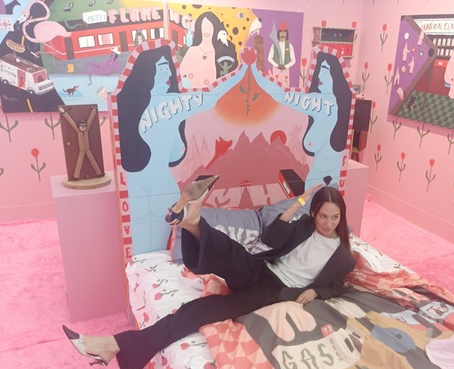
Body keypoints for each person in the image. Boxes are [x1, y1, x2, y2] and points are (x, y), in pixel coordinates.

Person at [63, 179, 356, 369]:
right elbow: (272, 237)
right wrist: (298, 202)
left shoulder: (343, 256)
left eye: (335, 217)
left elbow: (336, 287)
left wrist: (316, 292)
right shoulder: (305, 225)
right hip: (264, 270)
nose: (328, 223)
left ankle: (112, 345)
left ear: (342, 216)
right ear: (314, 213)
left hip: (276, 292)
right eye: (322, 216)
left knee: (199, 310)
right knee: (233, 252)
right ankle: (193, 225)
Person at [116, 43, 247, 255]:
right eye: (162, 67)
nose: (169, 73)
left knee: (157, 244)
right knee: (149, 246)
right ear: (148, 72)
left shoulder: (156, 104)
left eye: (168, 67)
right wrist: (240, 72)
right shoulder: (162, 104)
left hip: (151, 185)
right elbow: (209, 98)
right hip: (150, 185)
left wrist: (241, 72)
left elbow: (209, 97)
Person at [249, 50, 352, 189]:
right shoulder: (338, 103)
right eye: (320, 70)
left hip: (318, 179)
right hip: (329, 176)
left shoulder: (320, 102)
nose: (320, 75)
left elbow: (282, 96)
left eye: (324, 70)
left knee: (305, 201)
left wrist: (255, 73)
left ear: (335, 75)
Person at [179, 11, 238, 89]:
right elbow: (180, 74)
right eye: (204, 26)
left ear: (215, 28)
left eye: (209, 26)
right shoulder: (192, 51)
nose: (206, 30)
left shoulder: (220, 53)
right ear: (199, 28)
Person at [267, 22, 296, 88]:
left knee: (285, 86)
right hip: (276, 69)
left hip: (286, 70)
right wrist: (277, 65)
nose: (283, 34)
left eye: (284, 32)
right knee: (275, 86)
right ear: (278, 33)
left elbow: (293, 60)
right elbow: (269, 58)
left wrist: (285, 66)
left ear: (287, 34)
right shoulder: (274, 45)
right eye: (281, 32)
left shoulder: (290, 46)